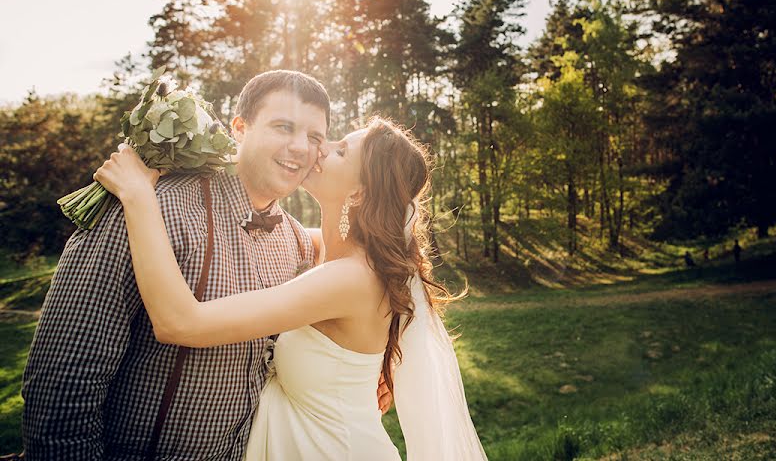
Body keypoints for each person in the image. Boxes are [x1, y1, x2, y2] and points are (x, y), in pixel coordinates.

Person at [20, 71, 395, 460]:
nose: (300, 147)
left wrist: (378, 362)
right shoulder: (144, 210)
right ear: (239, 128)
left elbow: (380, 275)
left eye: (315, 137)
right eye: (283, 127)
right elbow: (62, 386)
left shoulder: (297, 242)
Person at [94, 116, 487, 460]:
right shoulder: (337, 254)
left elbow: (180, 323)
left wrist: (139, 196)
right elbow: (269, 232)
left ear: (358, 193)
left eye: (339, 151)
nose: (319, 148)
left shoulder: (348, 279)